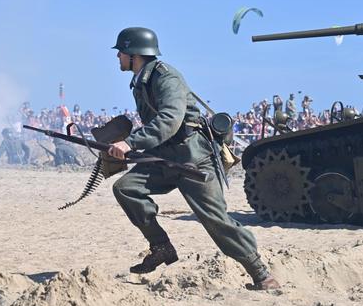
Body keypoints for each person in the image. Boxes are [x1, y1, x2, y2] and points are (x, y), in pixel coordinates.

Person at [107, 26, 279, 290]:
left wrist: (130, 143)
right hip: (164, 158)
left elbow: (169, 120)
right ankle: (161, 246)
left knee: (215, 220)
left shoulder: (166, 78)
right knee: (126, 189)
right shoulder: (141, 81)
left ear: (134, 53)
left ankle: (261, 274)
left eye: (121, 52)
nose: (118, 57)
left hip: (193, 159)